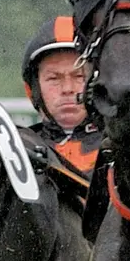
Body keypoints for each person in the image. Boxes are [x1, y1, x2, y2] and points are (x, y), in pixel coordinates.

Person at [22, 14, 103, 175]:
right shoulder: (17, 151)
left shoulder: (125, 150)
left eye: (79, 76)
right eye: (54, 78)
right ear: (33, 89)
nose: (67, 88)